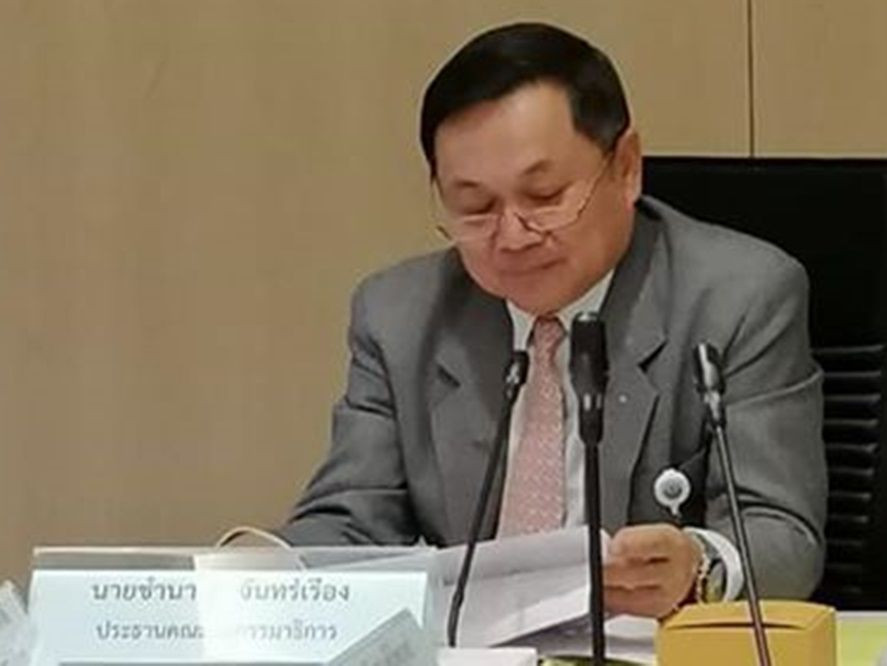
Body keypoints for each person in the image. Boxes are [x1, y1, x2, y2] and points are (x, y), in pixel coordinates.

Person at [276, 22, 827, 619]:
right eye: (475, 207)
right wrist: (257, 571)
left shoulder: (738, 298)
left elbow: (781, 532)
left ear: (627, 167)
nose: (512, 236)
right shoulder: (398, 316)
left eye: (543, 197)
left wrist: (699, 566)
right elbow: (348, 524)